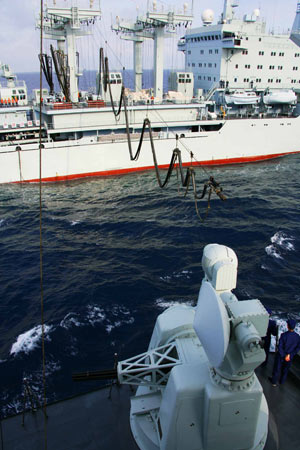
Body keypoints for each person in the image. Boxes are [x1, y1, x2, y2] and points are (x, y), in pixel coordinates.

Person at [270, 319, 300, 386]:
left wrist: (283, 355)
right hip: (289, 357)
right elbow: (297, 348)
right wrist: (290, 355)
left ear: (287, 326)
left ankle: (274, 382)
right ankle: (282, 382)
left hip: (281, 355)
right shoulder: (297, 337)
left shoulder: (284, 335)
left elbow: (280, 346)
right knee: (285, 370)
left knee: (277, 368)